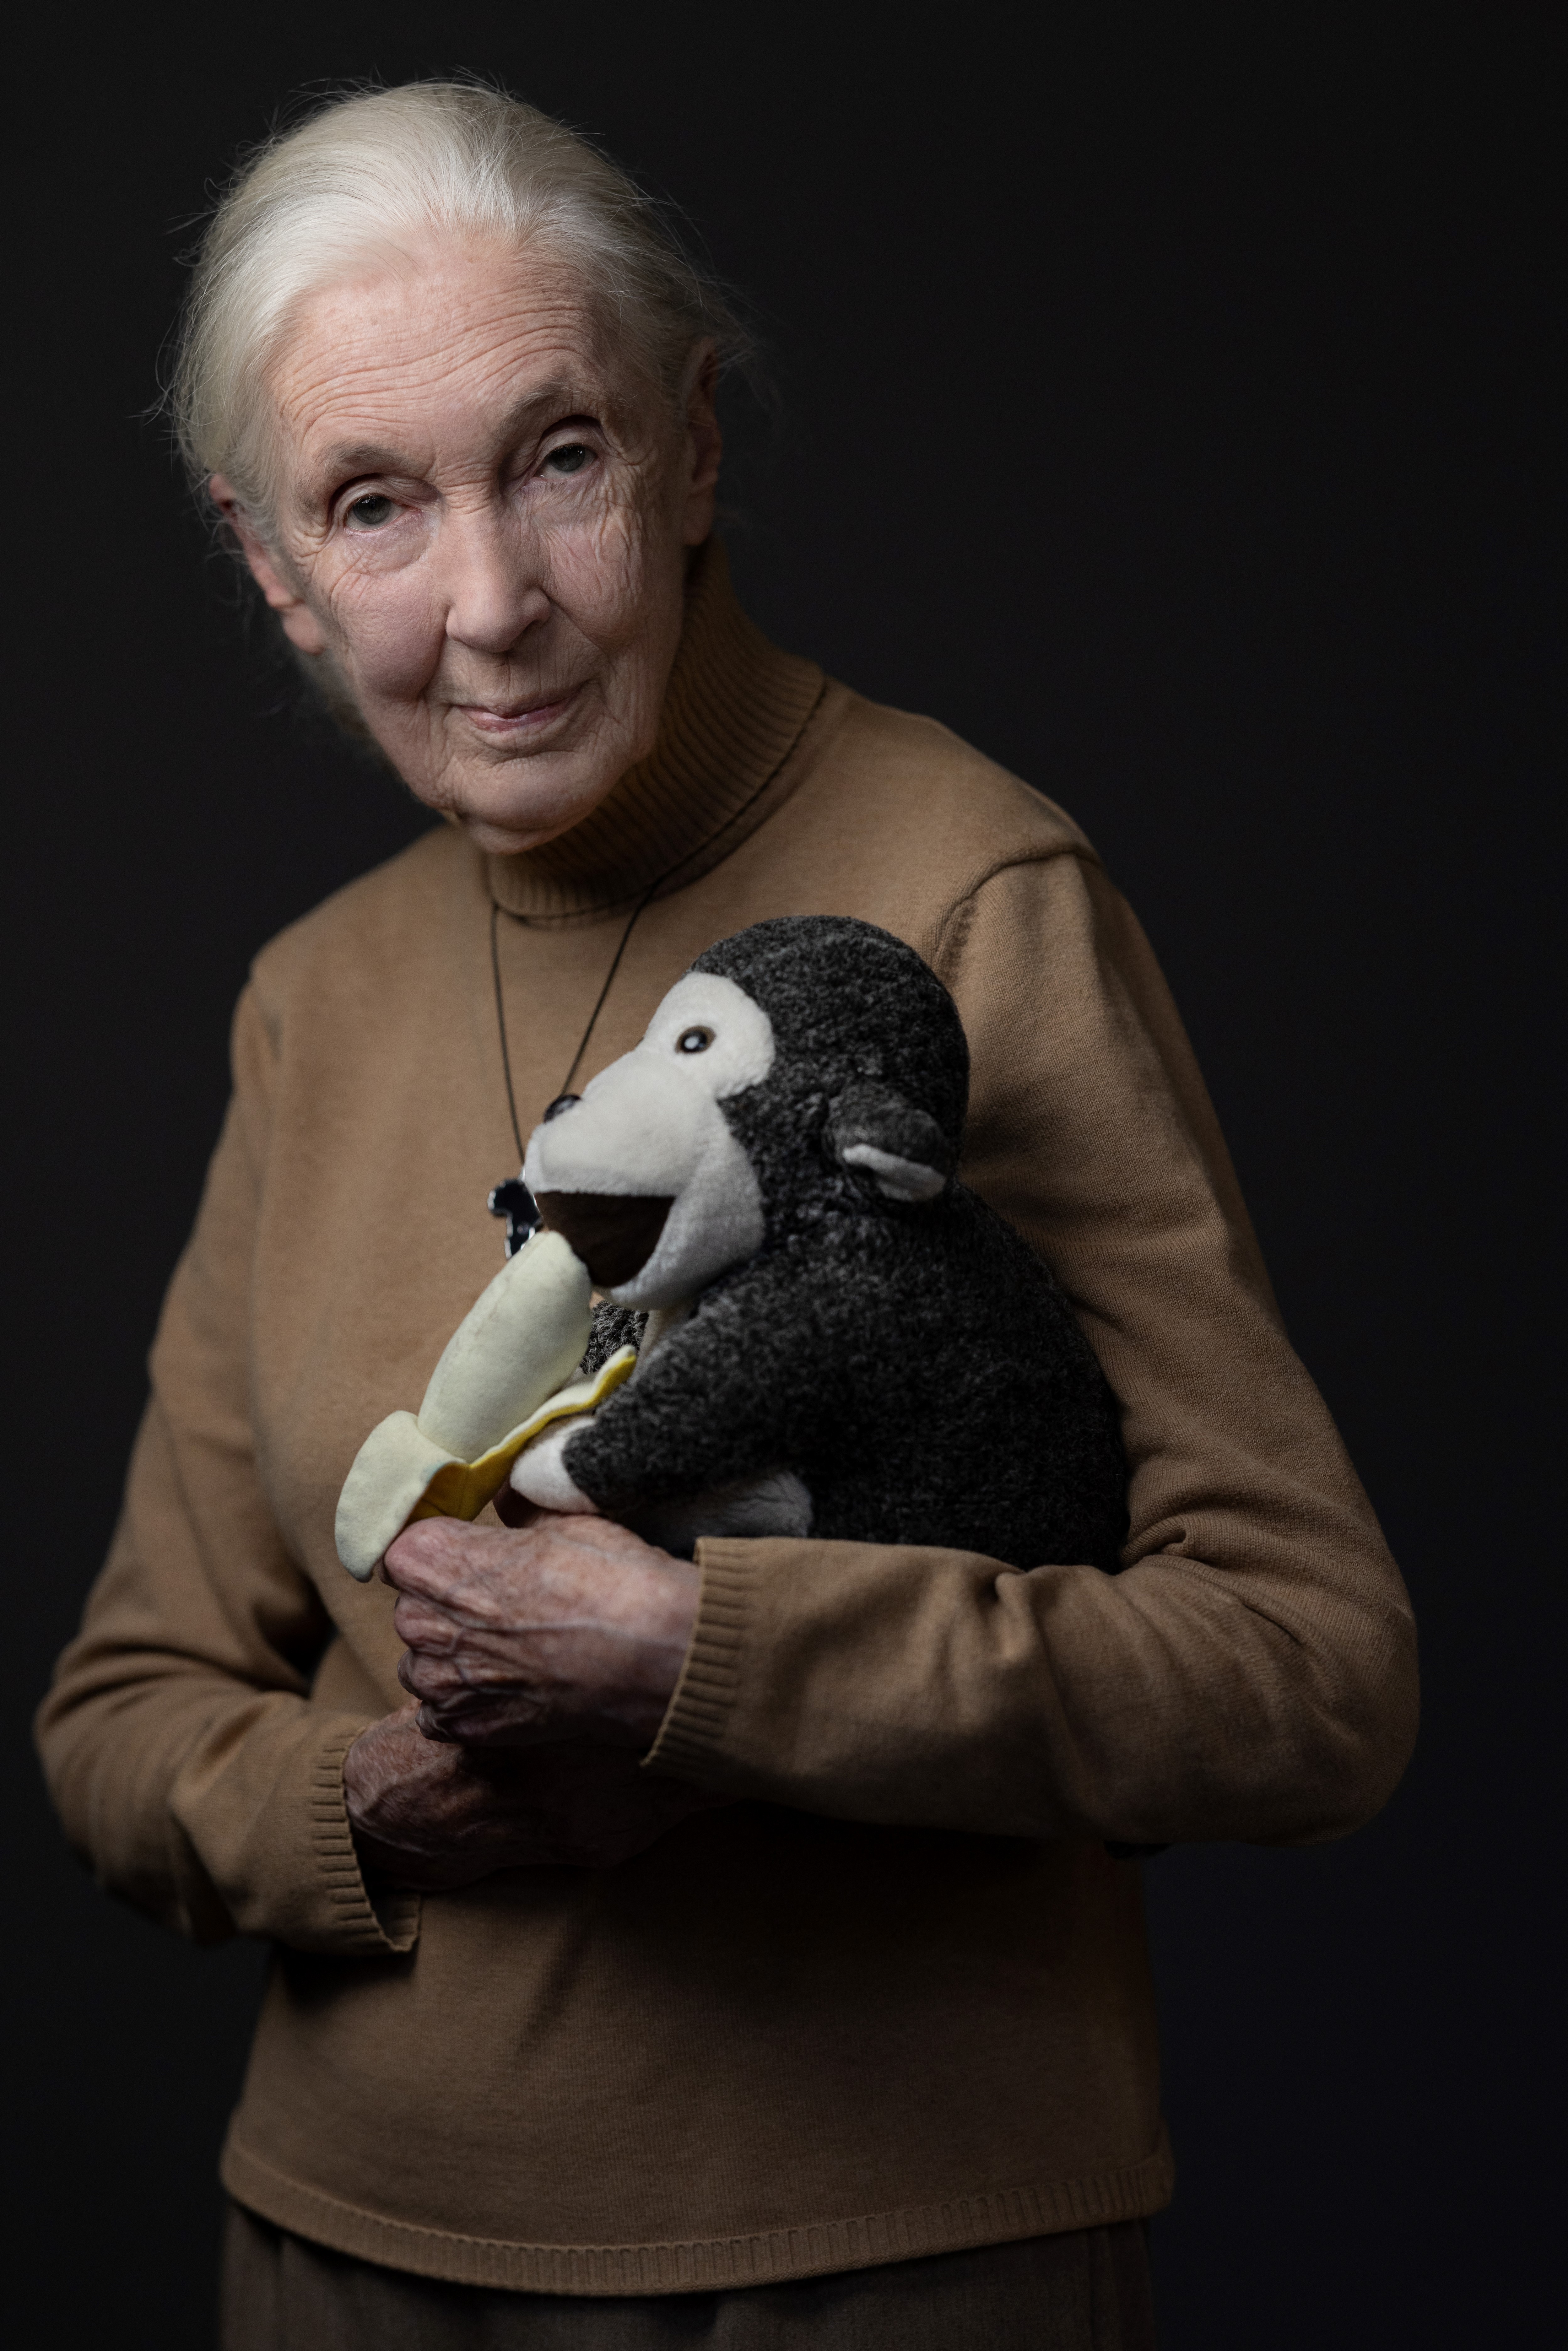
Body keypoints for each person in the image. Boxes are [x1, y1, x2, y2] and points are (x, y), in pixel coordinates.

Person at [36, 80, 1418, 2351]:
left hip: (883, 2269)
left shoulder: (967, 889)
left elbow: (1303, 1680)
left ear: (688, 447)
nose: (491, 606)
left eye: (558, 457)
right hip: (341, 2259)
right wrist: (378, 1804)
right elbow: (124, 1715)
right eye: (372, 506)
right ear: (271, 565)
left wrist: (708, 1666)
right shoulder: (311, 999)